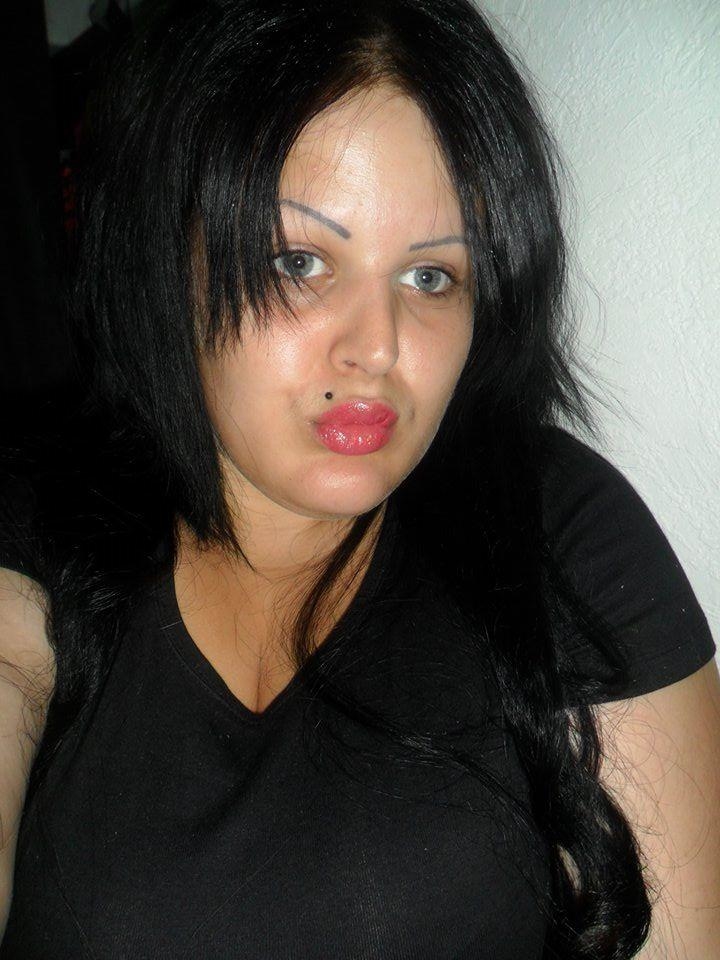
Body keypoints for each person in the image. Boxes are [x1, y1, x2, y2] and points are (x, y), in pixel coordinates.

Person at [0, 0, 718, 956]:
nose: (378, 348)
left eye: (430, 277)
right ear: (169, 260)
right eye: (300, 261)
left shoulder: (559, 534)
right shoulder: (36, 519)